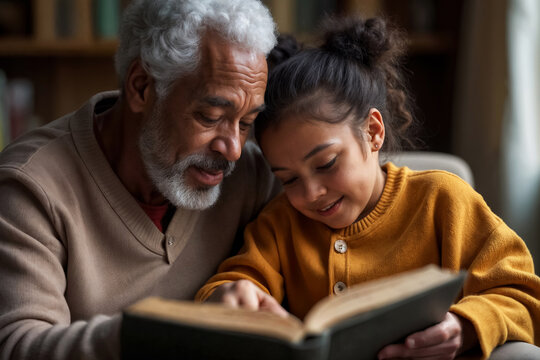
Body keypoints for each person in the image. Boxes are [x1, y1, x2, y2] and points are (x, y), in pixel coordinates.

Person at [196, 16, 540, 359]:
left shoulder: (443, 200)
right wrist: (231, 293)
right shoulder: (280, 223)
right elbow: (230, 283)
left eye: (327, 164)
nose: (311, 193)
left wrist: (465, 326)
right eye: (290, 179)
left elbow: (521, 294)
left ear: (373, 132)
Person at [0, 0, 280, 358]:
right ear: (141, 87)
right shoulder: (31, 186)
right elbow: (19, 347)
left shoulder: (253, 177)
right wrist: (182, 329)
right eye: (211, 116)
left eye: (245, 124)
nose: (233, 150)